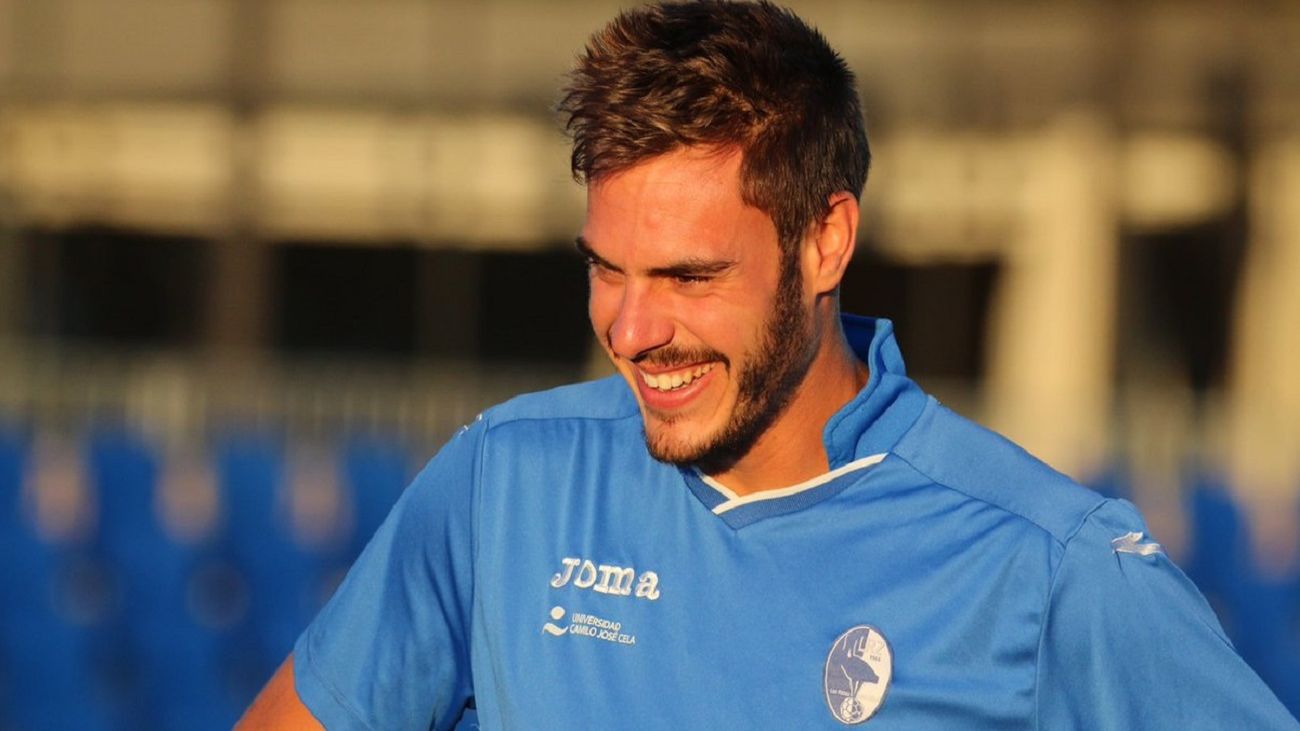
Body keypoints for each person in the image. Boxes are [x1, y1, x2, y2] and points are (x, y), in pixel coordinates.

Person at [240, 2, 1298, 728]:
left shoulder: (1053, 564)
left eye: (690, 276)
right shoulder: (503, 481)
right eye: (607, 268)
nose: (633, 328)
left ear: (825, 241)